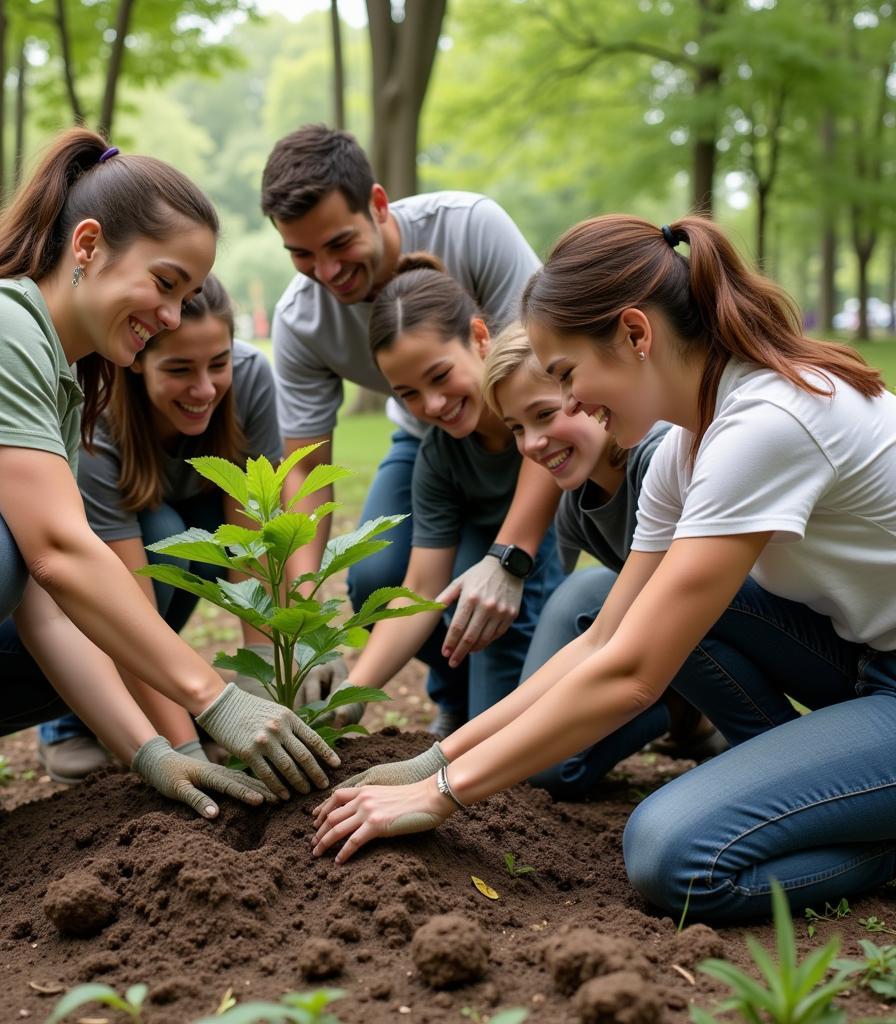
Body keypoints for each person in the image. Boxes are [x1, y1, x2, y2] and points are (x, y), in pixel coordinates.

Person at [311, 214, 896, 926]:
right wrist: (435, 759)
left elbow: (633, 676)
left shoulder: (766, 425)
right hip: (866, 661)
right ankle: (817, 787)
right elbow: (603, 642)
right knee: (663, 616)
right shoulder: (688, 447)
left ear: (636, 334)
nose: (573, 402)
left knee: (674, 856)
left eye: (565, 374)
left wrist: (442, 795)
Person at [0, 128, 338, 932]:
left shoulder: (56, 378)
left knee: (46, 583)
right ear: (87, 244)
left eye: (187, 293)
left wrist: (157, 755)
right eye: (164, 282)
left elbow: (53, 603)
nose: (170, 314)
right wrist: (215, 699)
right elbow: (54, 555)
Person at [260, 125, 564, 737]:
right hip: (435, 443)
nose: (326, 270)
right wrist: (309, 616)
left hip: (533, 435)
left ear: (378, 204)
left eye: (339, 242)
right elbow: (306, 475)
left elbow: (549, 392)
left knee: (494, 578)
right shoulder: (302, 320)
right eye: (301, 254)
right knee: (376, 577)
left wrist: (508, 556)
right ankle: (457, 694)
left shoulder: (471, 228)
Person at [36, 274, 283, 782]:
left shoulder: (252, 376)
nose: (205, 388)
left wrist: (265, 673)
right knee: (164, 548)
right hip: (123, 538)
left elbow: (250, 538)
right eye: (179, 369)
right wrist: (185, 751)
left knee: (204, 539)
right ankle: (71, 726)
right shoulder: (97, 411)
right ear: (138, 360)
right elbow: (123, 601)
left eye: (218, 364)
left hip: (201, 517)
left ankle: (167, 696)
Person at [481, 326, 723, 798]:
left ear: (587, 395)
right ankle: (678, 707)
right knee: (546, 769)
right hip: (646, 637)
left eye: (545, 414)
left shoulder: (661, 460)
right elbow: (577, 632)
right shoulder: (576, 505)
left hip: (711, 629)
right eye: (516, 427)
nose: (531, 443)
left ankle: (702, 719)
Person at [339, 256, 558, 719]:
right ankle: (458, 697)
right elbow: (421, 585)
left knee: (520, 746)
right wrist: (350, 696)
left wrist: (505, 563)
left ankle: (668, 703)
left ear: (480, 338)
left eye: (439, 376)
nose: (433, 404)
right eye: (409, 394)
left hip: (540, 553)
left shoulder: (547, 404)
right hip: (491, 558)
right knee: (486, 716)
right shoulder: (438, 455)